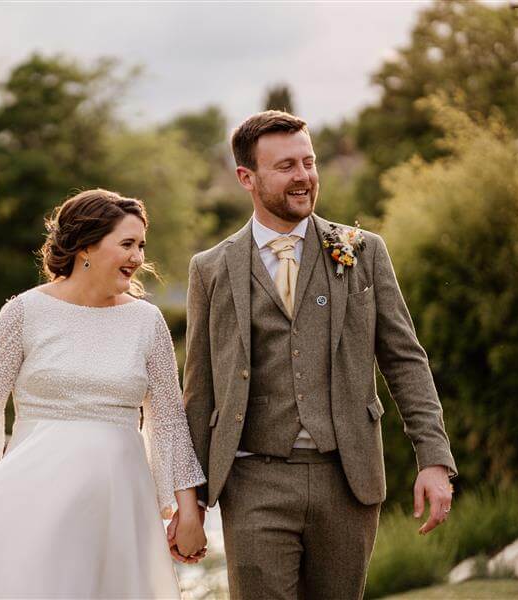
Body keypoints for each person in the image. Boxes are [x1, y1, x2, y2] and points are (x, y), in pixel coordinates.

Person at [172, 111, 457, 599]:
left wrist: (433, 458)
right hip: (253, 477)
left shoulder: (362, 251)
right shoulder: (211, 269)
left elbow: (405, 360)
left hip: (347, 477)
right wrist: (190, 501)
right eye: (286, 166)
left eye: (309, 161)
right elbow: (200, 388)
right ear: (247, 177)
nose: (303, 176)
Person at [0, 188, 207, 599]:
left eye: (141, 245)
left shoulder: (147, 322)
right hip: (34, 498)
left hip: (119, 505)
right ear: (86, 246)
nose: (138, 258)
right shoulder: (23, 312)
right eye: (127, 244)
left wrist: (188, 510)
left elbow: (168, 421)